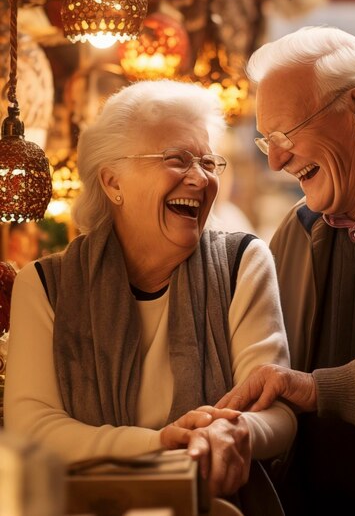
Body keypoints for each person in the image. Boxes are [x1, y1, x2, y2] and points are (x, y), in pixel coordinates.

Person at [4, 79, 296, 504]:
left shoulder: (243, 264)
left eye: (209, 162)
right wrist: (162, 443)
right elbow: (32, 424)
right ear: (112, 182)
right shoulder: (46, 286)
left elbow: (276, 410)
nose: (200, 179)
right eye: (177, 159)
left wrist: (233, 431)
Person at [217, 26, 355, 516]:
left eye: (285, 135)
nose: (278, 160)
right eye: (267, 143)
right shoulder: (296, 230)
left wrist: (318, 388)